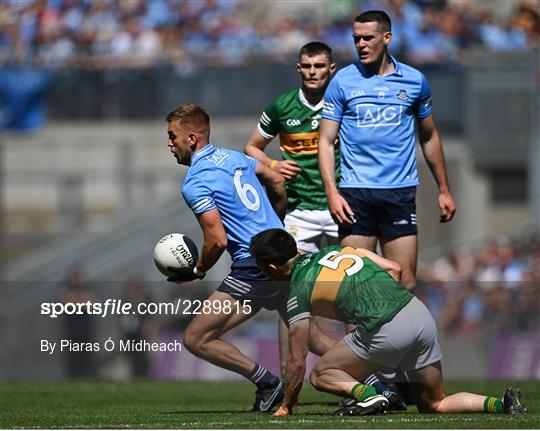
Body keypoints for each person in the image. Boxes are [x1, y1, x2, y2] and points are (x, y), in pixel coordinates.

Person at [249, 228, 528, 417]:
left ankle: (369, 394)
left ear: (271, 267)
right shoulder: (337, 251)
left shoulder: (298, 290)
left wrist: (288, 404)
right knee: (435, 403)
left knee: (320, 374)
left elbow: (297, 360)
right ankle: (502, 404)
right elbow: (394, 268)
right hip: (419, 314)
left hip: (387, 328)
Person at [165, 104, 334, 412]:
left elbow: (217, 240)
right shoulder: (234, 157)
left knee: (195, 338)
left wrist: (198, 270)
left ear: (191, 138)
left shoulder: (195, 181)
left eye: (172, 136)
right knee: (311, 335)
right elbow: (278, 182)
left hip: (253, 266)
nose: (169, 143)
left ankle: (268, 383)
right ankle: (375, 383)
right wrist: (274, 229)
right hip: (283, 254)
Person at [318, 10, 456, 290]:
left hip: (399, 192)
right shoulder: (343, 82)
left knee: (404, 284)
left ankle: (395, 336)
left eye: (368, 38)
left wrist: (443, 188)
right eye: (357, 39)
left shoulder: (415, 81)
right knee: (353, 287)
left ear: (387, 38)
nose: (361, 45)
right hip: (355, 193)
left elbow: (428, 135)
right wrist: (332, 192)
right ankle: (357, 337)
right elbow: (324, 141)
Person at [244, 41, 342, 378]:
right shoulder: (283, 106)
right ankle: (289, 379)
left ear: (332, 69)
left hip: (341, 208)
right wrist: (273, 163)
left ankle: (372, 374)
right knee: (291, 300)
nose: (313, 72)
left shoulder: (345, 100)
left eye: (319, 66)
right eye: (307, 66)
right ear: (298, 69)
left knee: (355, 292)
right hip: (299, 212)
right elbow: (251, 147)